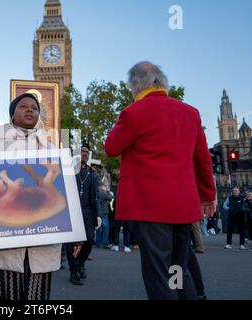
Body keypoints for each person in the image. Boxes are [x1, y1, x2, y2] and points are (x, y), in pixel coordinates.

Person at [105, 61, 216, 300]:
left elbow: (111, 147)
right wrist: (208, 196)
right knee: (178, 268)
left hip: (150, 207)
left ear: (136, 85)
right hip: (183, 207)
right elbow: (203, 161)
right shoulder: (191, 113)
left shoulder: (133, 112)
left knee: (158, 275)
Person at [0, 92, 79, 300]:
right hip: (2, 243)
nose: (30, 109)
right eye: (23, 106)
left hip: (42, 243)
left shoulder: (53, 149)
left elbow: (66, 193)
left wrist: (76, 231)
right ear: (12, 115)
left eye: (34, 107)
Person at [66, 145, 99, 286]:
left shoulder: (92, 173)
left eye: (86, 152)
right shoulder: (69, 171)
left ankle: (80, 263)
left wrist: (96, 216)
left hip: (87, 212)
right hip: (72, 211)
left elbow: (95, 197)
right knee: (71, 244)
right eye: (82, 152)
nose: (84, 154)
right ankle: (74, 272)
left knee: (89, 241)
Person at [95, 184, 112, 249]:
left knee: (98, 228)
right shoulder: (104, 193)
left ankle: (98, 243)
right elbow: (110, 198)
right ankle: (105, 243)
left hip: (97, 213)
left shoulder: (96, 193)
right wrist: (107, 191)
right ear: (102, 187)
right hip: (104, 213)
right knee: (106, 228)